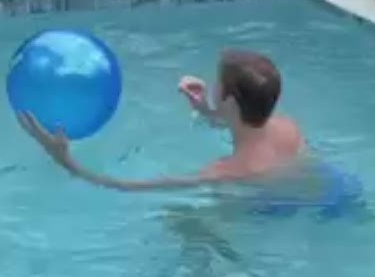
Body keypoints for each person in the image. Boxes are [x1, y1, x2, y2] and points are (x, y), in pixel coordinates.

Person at [17, 48, 317, 198]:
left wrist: (65, 161)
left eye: (218, 85)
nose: (212, 86)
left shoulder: (225, 173)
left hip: (268, 208)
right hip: (315, 190)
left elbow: (127, 187)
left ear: (230, 101)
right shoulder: (288, 128)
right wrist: (207, 111)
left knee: (183, 224)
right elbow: (249, 126)